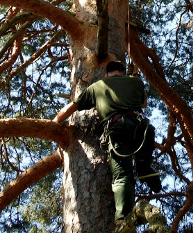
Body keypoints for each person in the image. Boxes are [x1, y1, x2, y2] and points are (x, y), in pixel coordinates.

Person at [54, 60, 161, 221]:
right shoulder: (135, 81)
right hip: (142, 129)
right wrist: (135, 78)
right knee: (143, 156)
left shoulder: (98, 86)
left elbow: (72, 107)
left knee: (122, 175)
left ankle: (122, 220)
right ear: (123, 72)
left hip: (117, 129)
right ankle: (144, 167)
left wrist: (54, 122)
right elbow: (144, 103)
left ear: (106, 74)